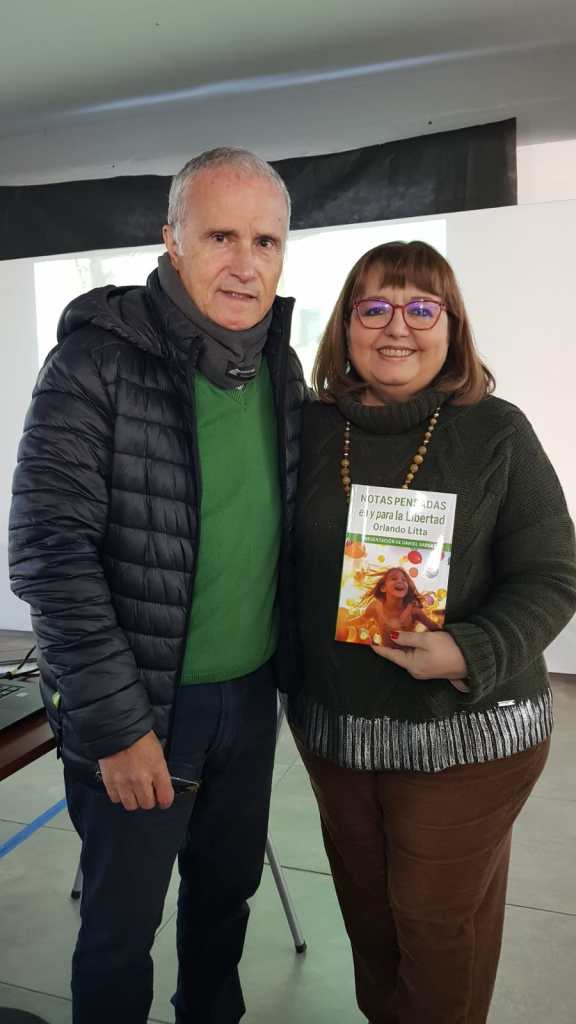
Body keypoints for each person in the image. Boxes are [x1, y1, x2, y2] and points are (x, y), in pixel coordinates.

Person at [9, 147, 305, 1024]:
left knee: (224, 904)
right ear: (171, 239)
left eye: (265, 241)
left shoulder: (280, 368)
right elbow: (47, 553)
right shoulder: (93, 365)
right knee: (120, 931)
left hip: (247, 703)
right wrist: (117, 727)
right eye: (220, 236)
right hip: (139, 708)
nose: (245, 264)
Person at [290, 240, 576, 1024]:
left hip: (468, 731)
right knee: (371, 923)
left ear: (453, 326)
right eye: (374, 307)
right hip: (339, 733)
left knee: (432, 923)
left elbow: (554, 574)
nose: (397, 326)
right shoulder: (309, 429)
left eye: (422, 307)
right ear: (345, 324)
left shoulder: (496, 431)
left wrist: (468, 650)